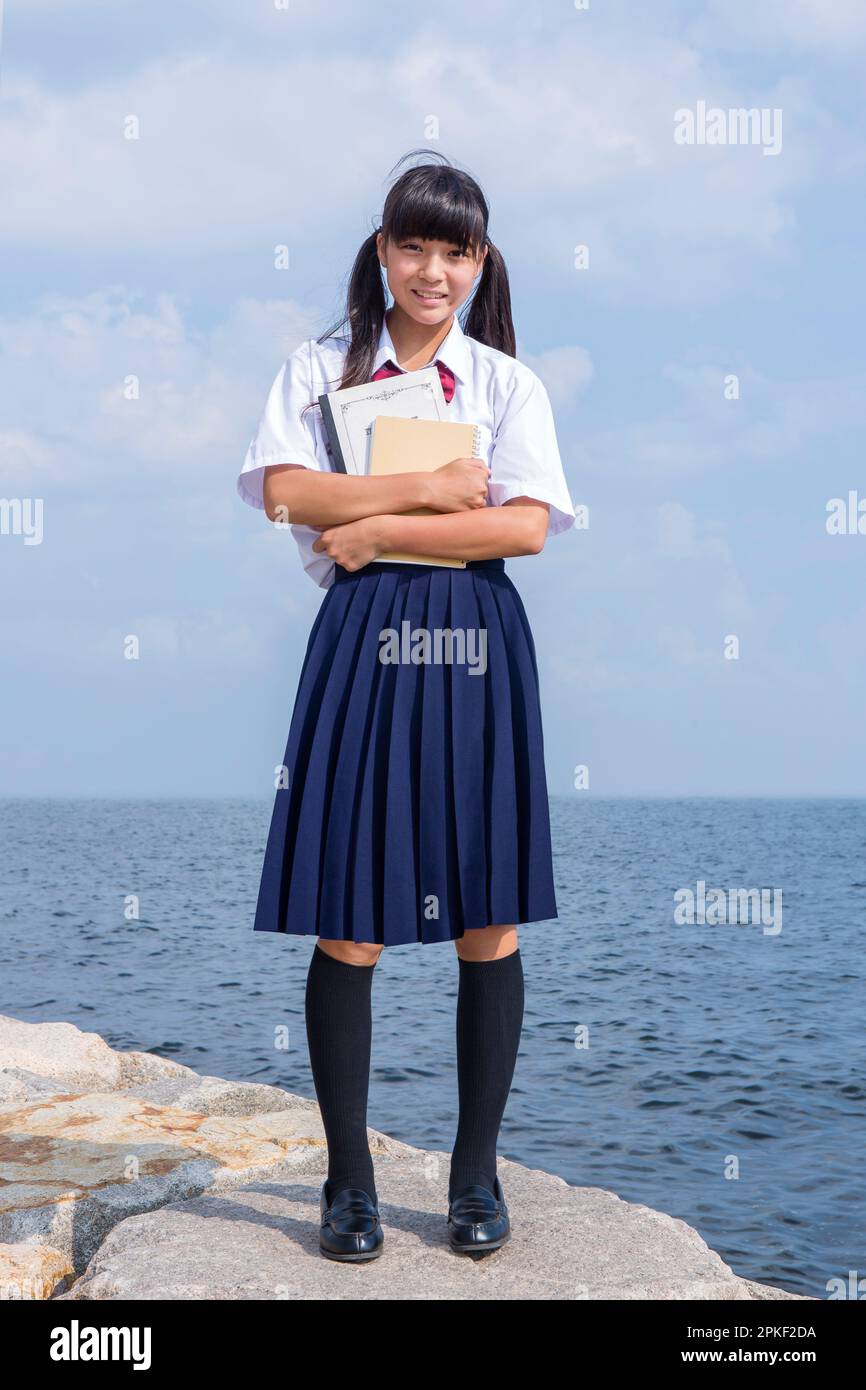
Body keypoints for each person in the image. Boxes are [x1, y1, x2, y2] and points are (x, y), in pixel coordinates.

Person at [237, 150, 576, 1262]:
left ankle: (475, 1179)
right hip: (361, 642)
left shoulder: (502, 383)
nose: (434, 270)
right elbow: (284, 492)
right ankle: (349, 1184)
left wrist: (376, 529)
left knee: (489, 912)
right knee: (353, 914)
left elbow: (522, 527)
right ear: (383, 249)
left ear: (480, 263)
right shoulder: (319, 364)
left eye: (456, 250)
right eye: (414, 245)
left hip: (476, 637)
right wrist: (424, 489)